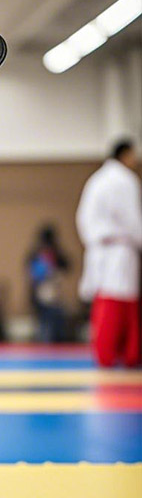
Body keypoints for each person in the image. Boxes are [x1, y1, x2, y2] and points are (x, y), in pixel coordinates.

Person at [76, 139, 142, 367]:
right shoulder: (125, 180)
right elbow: (132, 220)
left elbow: (83, 219)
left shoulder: (97, 179)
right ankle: (127, 354)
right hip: (119, 249)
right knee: (119, 305)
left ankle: (107, 353)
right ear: (125, 155)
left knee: (106, 302)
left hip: (100, 248)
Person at [26, 224, 70, 343]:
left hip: (55, 297)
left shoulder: (57, 255)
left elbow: (67, 266)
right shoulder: (36, 256)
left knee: (57, 326)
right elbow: (33, 275)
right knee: (45, 327)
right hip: (41, 297)